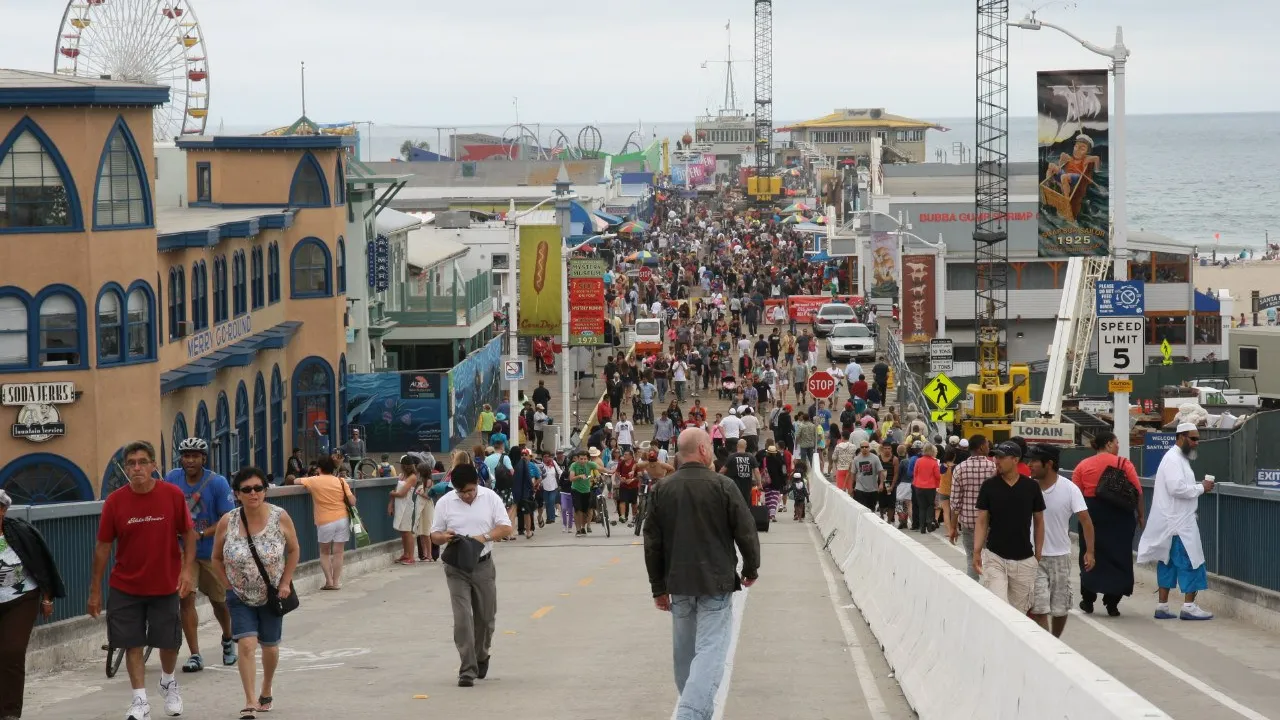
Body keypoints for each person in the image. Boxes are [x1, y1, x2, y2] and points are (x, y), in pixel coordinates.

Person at [643, 428, 761, 720]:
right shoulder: (723, 486)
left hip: (679, 582)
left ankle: (694, 710)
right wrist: (750, 567)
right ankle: (691, 714)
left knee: (684, 652)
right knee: (710, 649)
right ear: (704, 451)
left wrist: (658, 587)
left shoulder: (662, 489)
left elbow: (652, 543)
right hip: (716, 581)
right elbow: (746, 531)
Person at [89, 440, 196, 720]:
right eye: (131, 464)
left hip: (164, 584)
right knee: (131, 642)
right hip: (126, 585)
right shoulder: (115, 501)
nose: (137, 468)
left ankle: (168, 681)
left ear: (153, 465)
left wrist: (186, 571)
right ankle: (140, 701)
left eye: (142, 462)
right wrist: (95, 591)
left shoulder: (172, 495)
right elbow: (102, 546)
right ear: (126, 468)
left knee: (169, 642)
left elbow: (188, 533)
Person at [212, 467, 301, 719]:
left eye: (258, 488)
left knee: (270, 646)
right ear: (237, 494)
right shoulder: (227, 521)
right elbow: (216, 558)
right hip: (239, 596)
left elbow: (294, 550)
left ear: (265, 490)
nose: (253, 494)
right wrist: (227, 584)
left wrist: (285, 582)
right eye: (247, 490)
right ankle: (250, 700)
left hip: (273, 594)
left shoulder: (279, 517)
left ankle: (266, 688)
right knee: (247, 644)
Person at [429, 462, 514, 687]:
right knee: (463, 619)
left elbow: (506, 527)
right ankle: (467, 669)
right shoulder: (446, 503)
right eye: (462, 492)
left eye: (470, 491)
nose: (467, 495)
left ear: (477, 484)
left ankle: (481, 654)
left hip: (483, 565)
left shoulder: (490, 497)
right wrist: (443, 537)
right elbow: (434, 534)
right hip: (456, 567)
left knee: (485, 619)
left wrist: (482, 537)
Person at [163, 437, 238, 673]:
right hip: (185, 554)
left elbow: (228, 518)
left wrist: (202, 533)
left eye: (195, 456)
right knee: (186, 599)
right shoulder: (172, 479)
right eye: (186, 456)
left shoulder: (218, 483)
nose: (190, 460)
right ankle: (195, 654)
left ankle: (227, 638)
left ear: (203, 458)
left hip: (210, 552)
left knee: (220, 601)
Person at [1137, 422, 1215, 620]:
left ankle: (1162, 606)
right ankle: (1189, 606)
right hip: (1180, 523)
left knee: (1168, 562)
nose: (1197, 443)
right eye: (1193, 438)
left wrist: (1197, 487)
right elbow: (1176, 488)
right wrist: (1201, 488)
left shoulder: (1178, 458)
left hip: (1174, 522)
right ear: (1181, 437)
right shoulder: (1173, 459)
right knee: (1191, 562)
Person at [0, 488, 66, 720]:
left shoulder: (19, 532)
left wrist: (47, 598)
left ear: (4, 510)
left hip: (22, 598)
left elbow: (40, 564)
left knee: (12, 651)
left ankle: (9, 713)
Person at [1026, 445, 1094, 638]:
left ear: (1049, 464)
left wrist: (1090, 551)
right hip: (1032, 557)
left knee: (1060, 607)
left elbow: (1085, 520)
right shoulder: (1027, 487)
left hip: (1060, 557)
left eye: (1033, 461)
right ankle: (1048, 646)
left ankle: (1054, 640)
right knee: (1038, 607)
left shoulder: (1069, 489)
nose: (1029, 465)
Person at [972, 441, 1045, 613]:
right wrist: (976, 552)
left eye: (1001, 457)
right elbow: (982, 520)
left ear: (1015, 460)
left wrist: (1038, 554)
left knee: (1019, 614)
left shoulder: (1031, 487)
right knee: (998, 608)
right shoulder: (989, 486)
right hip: (995, 556)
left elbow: (1039, 520)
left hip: (1024, 559)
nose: (996, 460)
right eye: (995, 456)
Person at [288, 455, 357, 590]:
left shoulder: (314, 480)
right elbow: (352, 501)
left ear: (319, 468)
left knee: (325, 552)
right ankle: (336, 582)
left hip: (324, 520)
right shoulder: (341, 481)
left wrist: (292, 477)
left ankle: (329, 582)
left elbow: (294, 481)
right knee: (339, 552)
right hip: (342, 518)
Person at [949, 434, 996, 580]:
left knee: (971, 559)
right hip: (990, 523)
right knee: (992, 560)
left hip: (969, 523)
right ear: (982, 447)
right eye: (987, 445)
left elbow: (955, 501)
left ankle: (973, 587)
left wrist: (953, 527)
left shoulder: (959, 469)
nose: (989, 447)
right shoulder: (994, 467)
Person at [851, 441, 885, 511]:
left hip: (873, 488)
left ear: (869, 448)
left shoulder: (875, 458)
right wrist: (852, 486)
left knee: (871, 509)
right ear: (860, 448)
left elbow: (881, 471)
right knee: (860, 509)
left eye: (866, 447)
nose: (864, 448)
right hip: (860, 488)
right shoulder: (856, 459)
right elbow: (853, 473)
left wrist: (881, 483)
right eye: (862, 447)